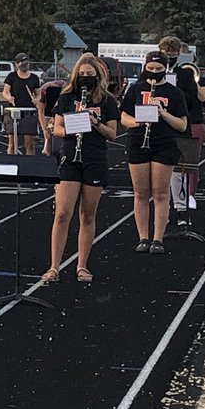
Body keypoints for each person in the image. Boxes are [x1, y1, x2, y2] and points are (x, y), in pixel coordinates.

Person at [42, 54, 119, 283]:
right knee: (63, 212)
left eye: (90, 74)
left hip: (94, 157)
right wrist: (73, 128)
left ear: (98, 75)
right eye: (82, 74)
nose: (85, 78)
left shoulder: (107, 100)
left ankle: (82, 265)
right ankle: (54, 266)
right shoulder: (67, 97)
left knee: (87, 214)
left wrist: (94, 122)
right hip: (70, 156)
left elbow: (113, 133)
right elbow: (56, 128)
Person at [120, 52, 188, 254]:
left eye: (159, 69)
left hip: (164, 143)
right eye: (151, 69)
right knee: (140, 192)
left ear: (165, 69)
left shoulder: (175, 93)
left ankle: (158, 238)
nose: (154, 72)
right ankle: (143, 237)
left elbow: (182, 125)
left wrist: (162, 113)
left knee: (160, 192)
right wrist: (138, 122)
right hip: (138, 141)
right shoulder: (135, 89)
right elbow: (124, 117)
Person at [159, 36, 205, 217]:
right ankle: (165, 204)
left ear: (179, 54)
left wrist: (175, 92)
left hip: (181, 122)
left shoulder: (186, 73)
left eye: (173, 53)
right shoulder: (155, 70)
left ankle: (181, 205)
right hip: (160, 125)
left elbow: (194, 99)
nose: (170, 57)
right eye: (166, 53)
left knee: (182, 168)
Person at [2, 53, 41, 155]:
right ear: (16, 64)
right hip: (13, 111)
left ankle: (30, 166)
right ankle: (10, 165)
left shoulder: (34, 78)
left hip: (28, 111)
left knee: (29, 143)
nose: (25, 66)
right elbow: (5, 91)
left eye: (27, 64)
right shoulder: (11, 76)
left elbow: (39, 94)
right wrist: (9, 98)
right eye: (23, 64)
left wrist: (36, 100)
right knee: (12, 142)